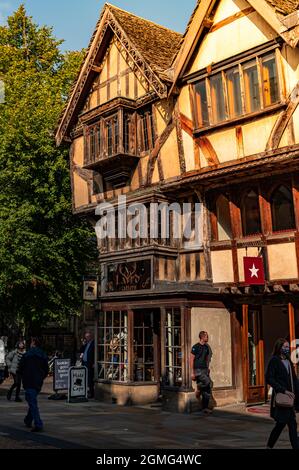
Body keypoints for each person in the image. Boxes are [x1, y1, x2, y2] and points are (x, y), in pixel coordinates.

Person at [265, 338, 299, 449]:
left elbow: (294, 379)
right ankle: (270, 445)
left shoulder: (288, 361)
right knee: (280, 425)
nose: (287, 349)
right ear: (279, 348)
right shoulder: (274, 360)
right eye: (284, 346)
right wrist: (282, 389)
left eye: (287, 347)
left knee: (292, 425)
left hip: (290, 398)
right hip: (282, 397)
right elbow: (269, 378)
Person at [18, 337, 49, 432]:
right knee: (32, 400)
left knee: (32, 402)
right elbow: (46, 370)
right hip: (38, 381)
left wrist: (22, 377)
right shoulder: (43, 355)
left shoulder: (27, 355)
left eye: (31, 342)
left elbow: (20, 368)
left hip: (29, 380)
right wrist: (41, 377)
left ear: (33, 343)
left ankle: (38, 423)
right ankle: (28, 420)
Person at [190, 331, 213, 415]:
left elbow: (207, 359)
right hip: (197, 370)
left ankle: (205, 408)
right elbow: (191, 359)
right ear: (202, 337)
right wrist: (192, 372)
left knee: (207, 390)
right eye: (207, 336)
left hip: (204, 369)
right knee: (208, 382)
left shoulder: (206, 348)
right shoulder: (195, 347)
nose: (208, 338)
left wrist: (207, 368)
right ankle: (199, 388)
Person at [80, 331, 95, 398]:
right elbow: (81, 351)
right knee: (85, 378)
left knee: (90, 378)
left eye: (88, 337)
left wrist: (94, 363)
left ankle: (91, 393)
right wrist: (83, 344)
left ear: (91, 337)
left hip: (90, 363)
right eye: (86, 337)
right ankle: (86, 391)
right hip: (85, 363)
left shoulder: (93, 343)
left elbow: (96, 354)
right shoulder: (86, 344)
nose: (86, 338)